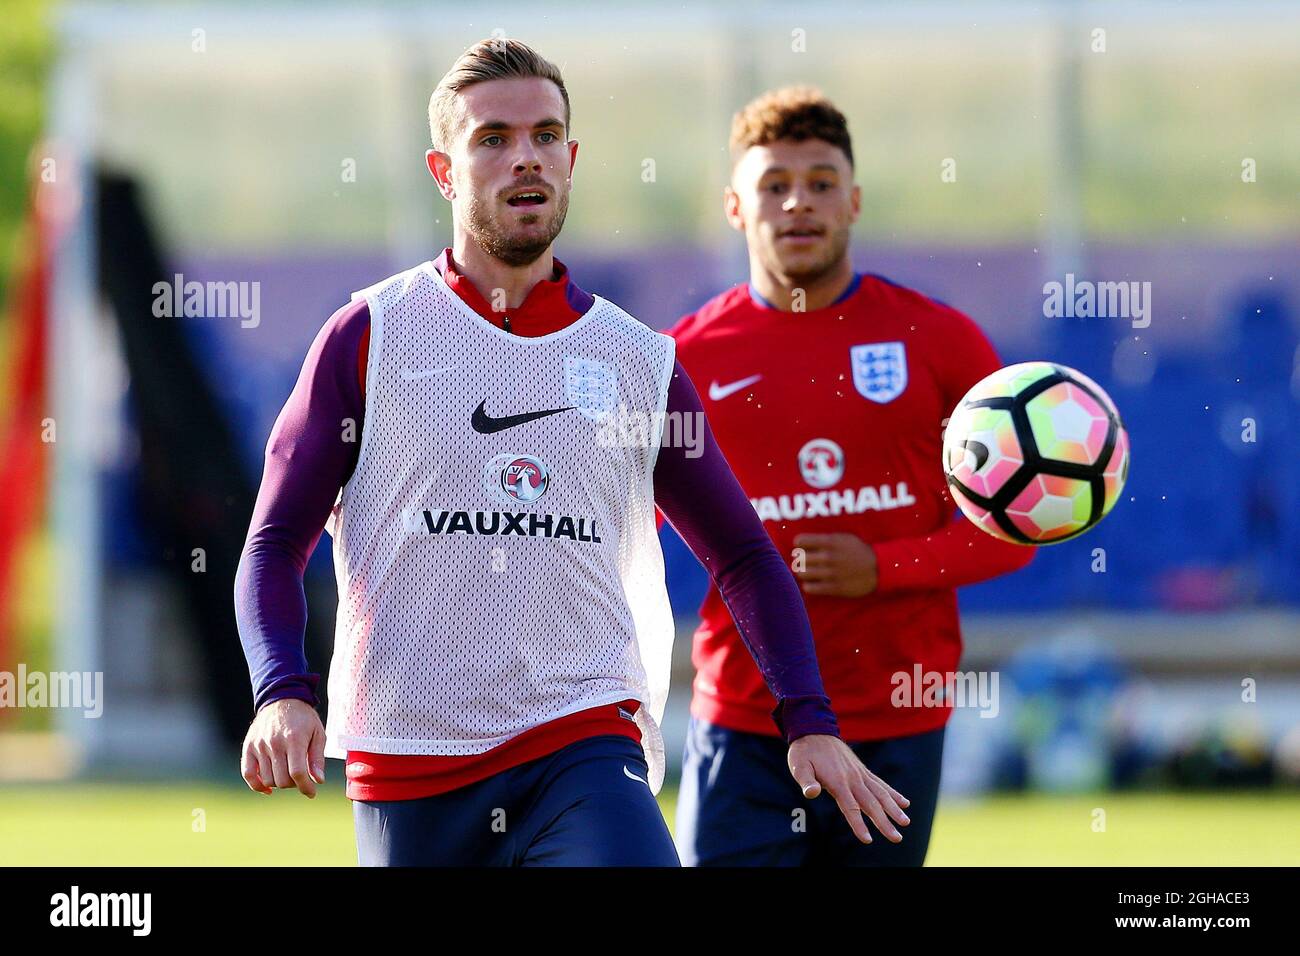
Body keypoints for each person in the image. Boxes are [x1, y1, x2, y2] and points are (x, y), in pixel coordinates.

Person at [234, 41, 910, 867]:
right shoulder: (369, 336)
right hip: (408, 761)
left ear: (572, 158)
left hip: (584, 742)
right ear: (444, 170)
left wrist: (808, 718)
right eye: (492, 139)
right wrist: (281, 693)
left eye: (546, 135)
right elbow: (273, 543)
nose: (526, 157)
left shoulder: (636, 361)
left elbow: (741, 554)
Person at [669, 87, 1034, 866]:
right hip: (745, 719)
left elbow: (1016, 532)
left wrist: (883, 567)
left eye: (822, 183)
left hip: (896, 718)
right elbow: (620, 523)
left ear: (855, 200)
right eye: (774, 185)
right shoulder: (683, 359)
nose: (798, 203)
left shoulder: (939, 341)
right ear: (736, 206)